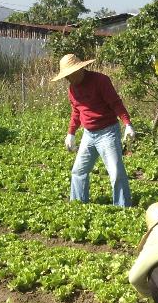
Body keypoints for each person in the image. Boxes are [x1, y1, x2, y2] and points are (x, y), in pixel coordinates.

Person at [52, 53, 135, 207]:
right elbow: (76, 111)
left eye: (70, 75)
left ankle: (123, 208)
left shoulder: (100, 81)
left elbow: (116, 103)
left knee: (116, 173)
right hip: (88, 135)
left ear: (80, 70)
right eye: (66, 76)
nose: (68, 79)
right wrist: (70, 133)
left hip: (108, 132)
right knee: (78, 171)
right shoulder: (72, 89)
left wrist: (127, 124)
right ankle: (77, 205)